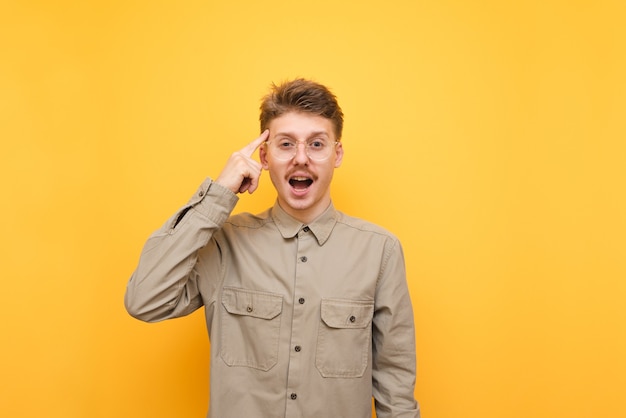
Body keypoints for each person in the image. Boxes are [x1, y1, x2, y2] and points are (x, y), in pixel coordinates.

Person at [124, 78, 421, 418]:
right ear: (263, 156)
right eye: (285, 144)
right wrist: (219, 194)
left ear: (336, 154)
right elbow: (144, 299)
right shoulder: (224, 243)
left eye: (316, 144)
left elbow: (395, 387)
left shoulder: (380, 251)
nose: (301, 159)